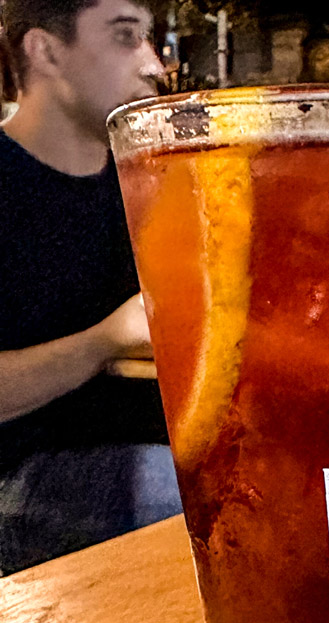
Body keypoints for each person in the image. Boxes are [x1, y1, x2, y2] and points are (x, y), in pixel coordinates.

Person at [0, 0, 182, 575]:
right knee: (218, 497)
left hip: (154, 447)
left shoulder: (147, 181)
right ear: (46, 51)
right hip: (24, 477)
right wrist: (103, 341)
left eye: (150, 39)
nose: (154, 63)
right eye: (126, 38)